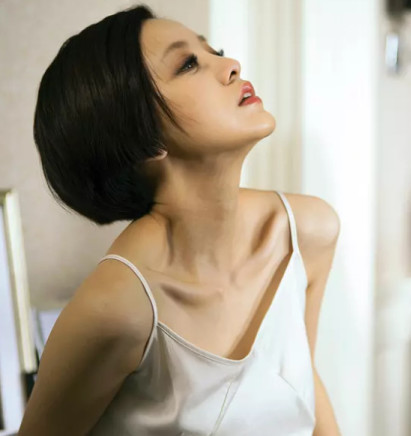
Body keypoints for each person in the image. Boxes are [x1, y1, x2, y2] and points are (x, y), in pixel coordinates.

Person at [19, 5, 341, 436]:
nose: (231, 65)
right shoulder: (116, 309)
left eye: (215, 52)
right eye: (188, 64)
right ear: (140, 135)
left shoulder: (308, 232)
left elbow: (304, 389)